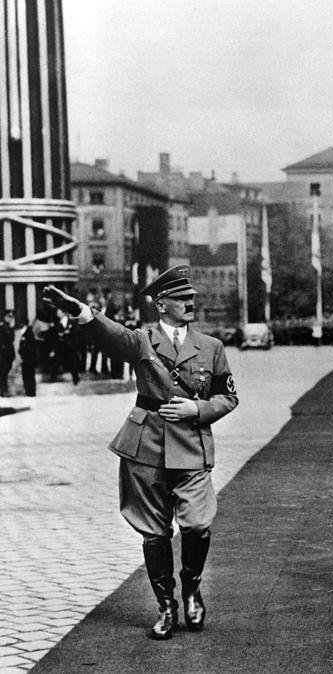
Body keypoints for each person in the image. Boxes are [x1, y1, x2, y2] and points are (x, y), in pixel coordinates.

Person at [42, 265, 239, 640]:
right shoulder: (142, 340)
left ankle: (192, 587)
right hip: (146, 445)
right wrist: (80, 311)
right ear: (161, 304)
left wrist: (196, 409)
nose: (191, 303)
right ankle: (166, 606)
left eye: (192, 298)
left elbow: (228, 396)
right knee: (154, 532)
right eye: (182, 298)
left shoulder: (212, 347)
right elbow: (110, 335)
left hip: (192, 446)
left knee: (197, 524)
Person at [0, 310, 15, 396]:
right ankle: (3, 391)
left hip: (9, 355)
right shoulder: (1, 328)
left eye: (11, 317)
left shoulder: (10, 328)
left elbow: (11, 341)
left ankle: (4, 391)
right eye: (9, 316)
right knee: (2, 373)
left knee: (5, 373)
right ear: (5, 317)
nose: (10, 318)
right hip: (3, 355)